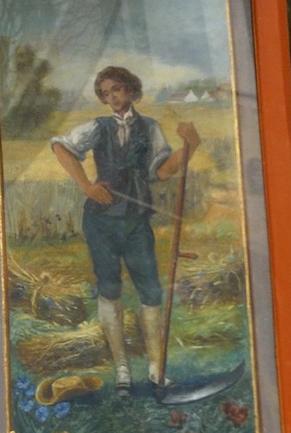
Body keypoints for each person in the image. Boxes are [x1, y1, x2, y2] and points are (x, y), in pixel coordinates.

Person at [50, 66, 200, 390]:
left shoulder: (150, 127)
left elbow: (161, 172)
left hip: (136, 221)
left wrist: (190, 147)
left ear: (132, 90)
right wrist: (86, 187)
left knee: (150, 291)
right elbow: (60, 146)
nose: (112, 96)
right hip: (100, 221)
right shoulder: (98, 127)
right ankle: (122, 371)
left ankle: (155, 370)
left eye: (117, 89)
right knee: (110, 288)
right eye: (106, 93)